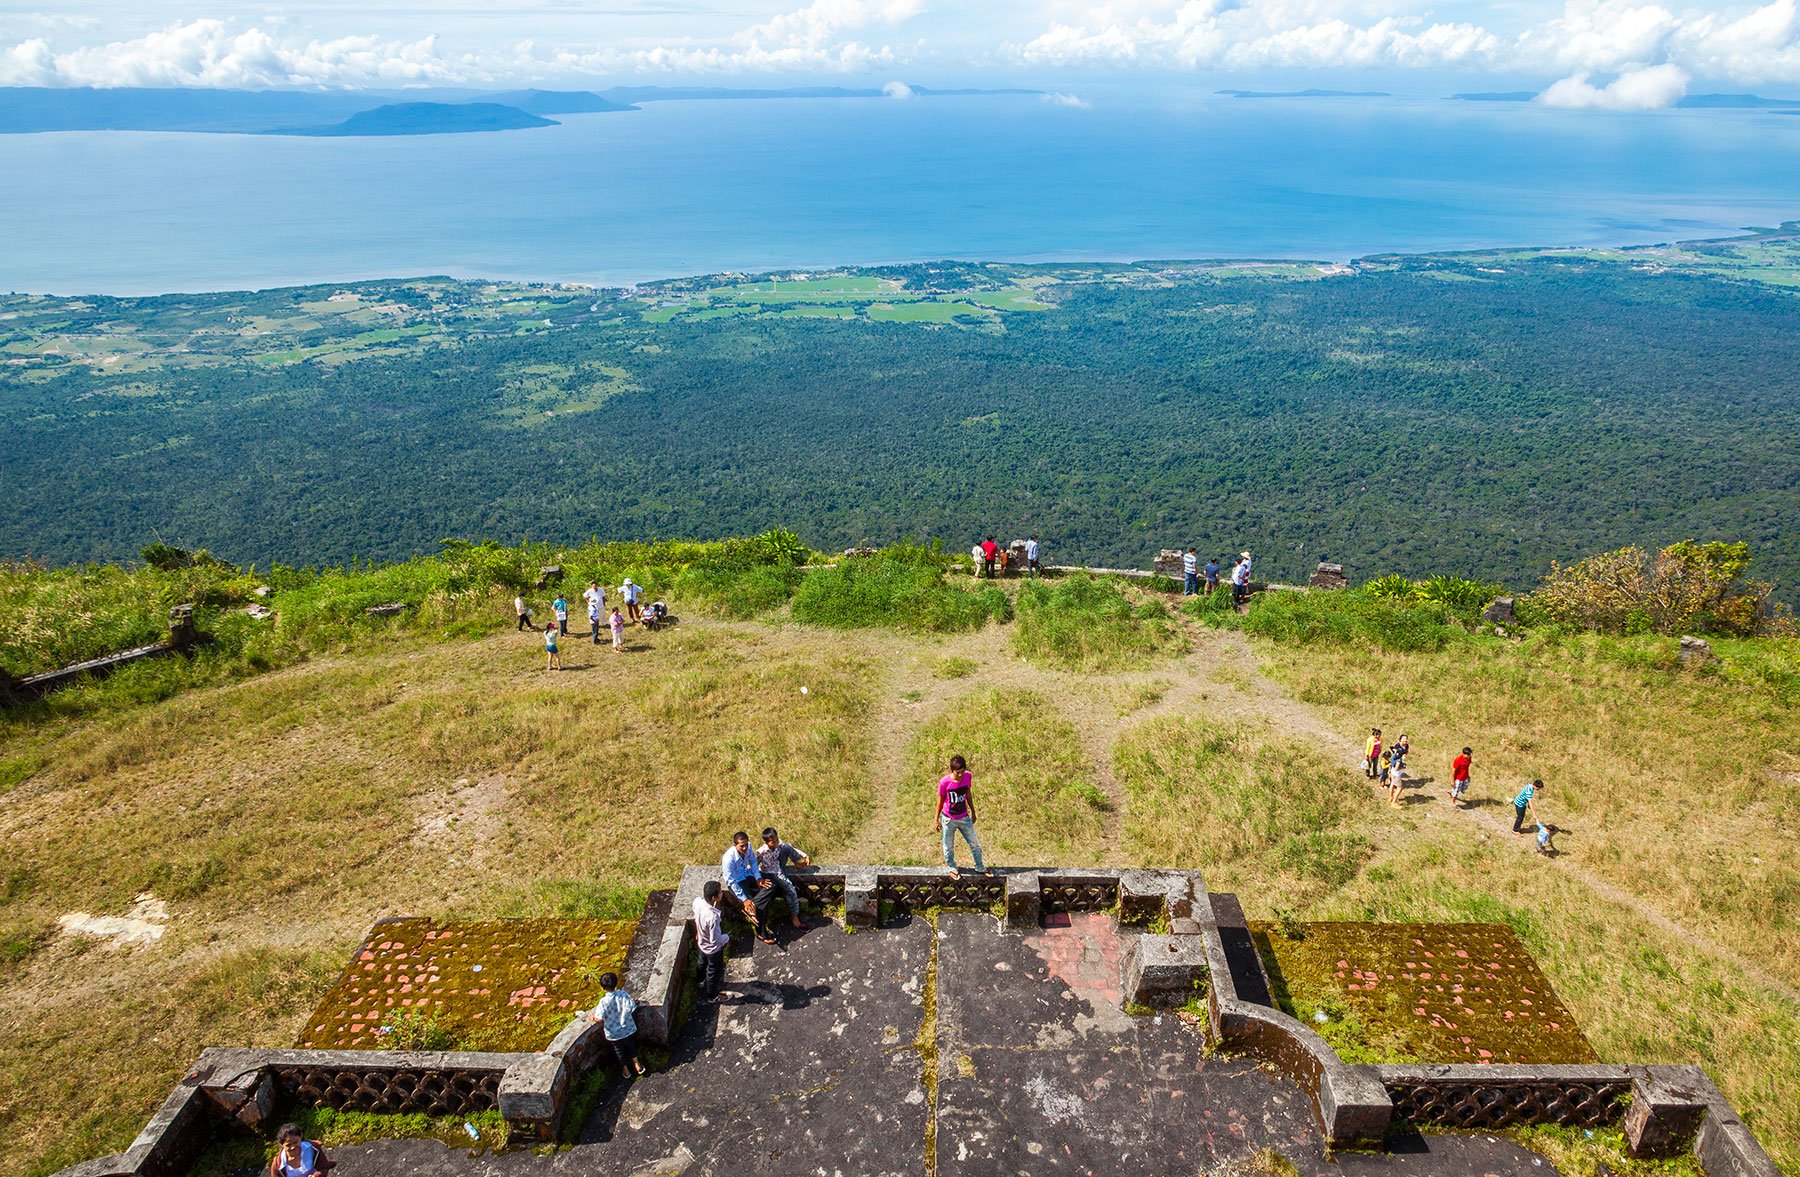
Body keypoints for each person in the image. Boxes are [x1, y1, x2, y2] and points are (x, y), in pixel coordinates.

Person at [935, 754, 990, 879]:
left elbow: (968, 793)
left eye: (962, 771)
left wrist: (973, 811)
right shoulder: (945, 782)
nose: (960, 775)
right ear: (952, 771)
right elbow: (940, 800)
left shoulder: (968, 776)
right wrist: (936, 819)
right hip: (949, 819)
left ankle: (979, 866)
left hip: (964, 817)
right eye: (957, 772)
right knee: (948, 846)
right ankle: (952, 867)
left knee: (975, 843)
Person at [722, 831, 778, 944]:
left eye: (746, 845)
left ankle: (755, 906)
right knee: (756, 905)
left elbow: (753, 862)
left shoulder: (749, 847)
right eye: (741, 846)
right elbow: (731, 882)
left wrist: (758, 878)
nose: (745, 848)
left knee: (772, 884)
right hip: (737, 882)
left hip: (747, 874)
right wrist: (745, 899)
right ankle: (761, 933)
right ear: (735, 845)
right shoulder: (728, 859)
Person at [588, 972, 647, 1079]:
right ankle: (637, 1065)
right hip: (628, 1028)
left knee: (619, 1051)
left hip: (614, 1033)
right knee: (631, 1046)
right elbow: (632, 1007)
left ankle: (626, 1070)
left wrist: (592, 1017)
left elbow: (599, 1018)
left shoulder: (604, 1002)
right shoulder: (623, 994)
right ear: (616, 983)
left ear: (602, 988)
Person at [756, 827, 811, 929]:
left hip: (779, 869)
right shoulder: (761, 852)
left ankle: (799, 863)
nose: (776, 843)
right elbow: (754, 866)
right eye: (773, 842)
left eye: (777, 840)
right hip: (769, 873)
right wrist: (759, 879)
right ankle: (795, 917)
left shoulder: (780, 845)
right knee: (791, 890)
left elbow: (792, 848)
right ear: (766, 843)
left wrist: (804, 855)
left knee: (787, 847)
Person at [694, 880, 728, 1000]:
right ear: (714, 898)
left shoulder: (697, 903)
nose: (722, 893)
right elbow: (715, 940)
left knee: (702, 962)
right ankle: (712, 996)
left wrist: (698, 931)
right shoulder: (712, 917)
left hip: (702, 944)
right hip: (713, 950)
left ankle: (700, 981)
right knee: (713, 972)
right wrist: (726, 938)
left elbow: (696, 918)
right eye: (720, 892)